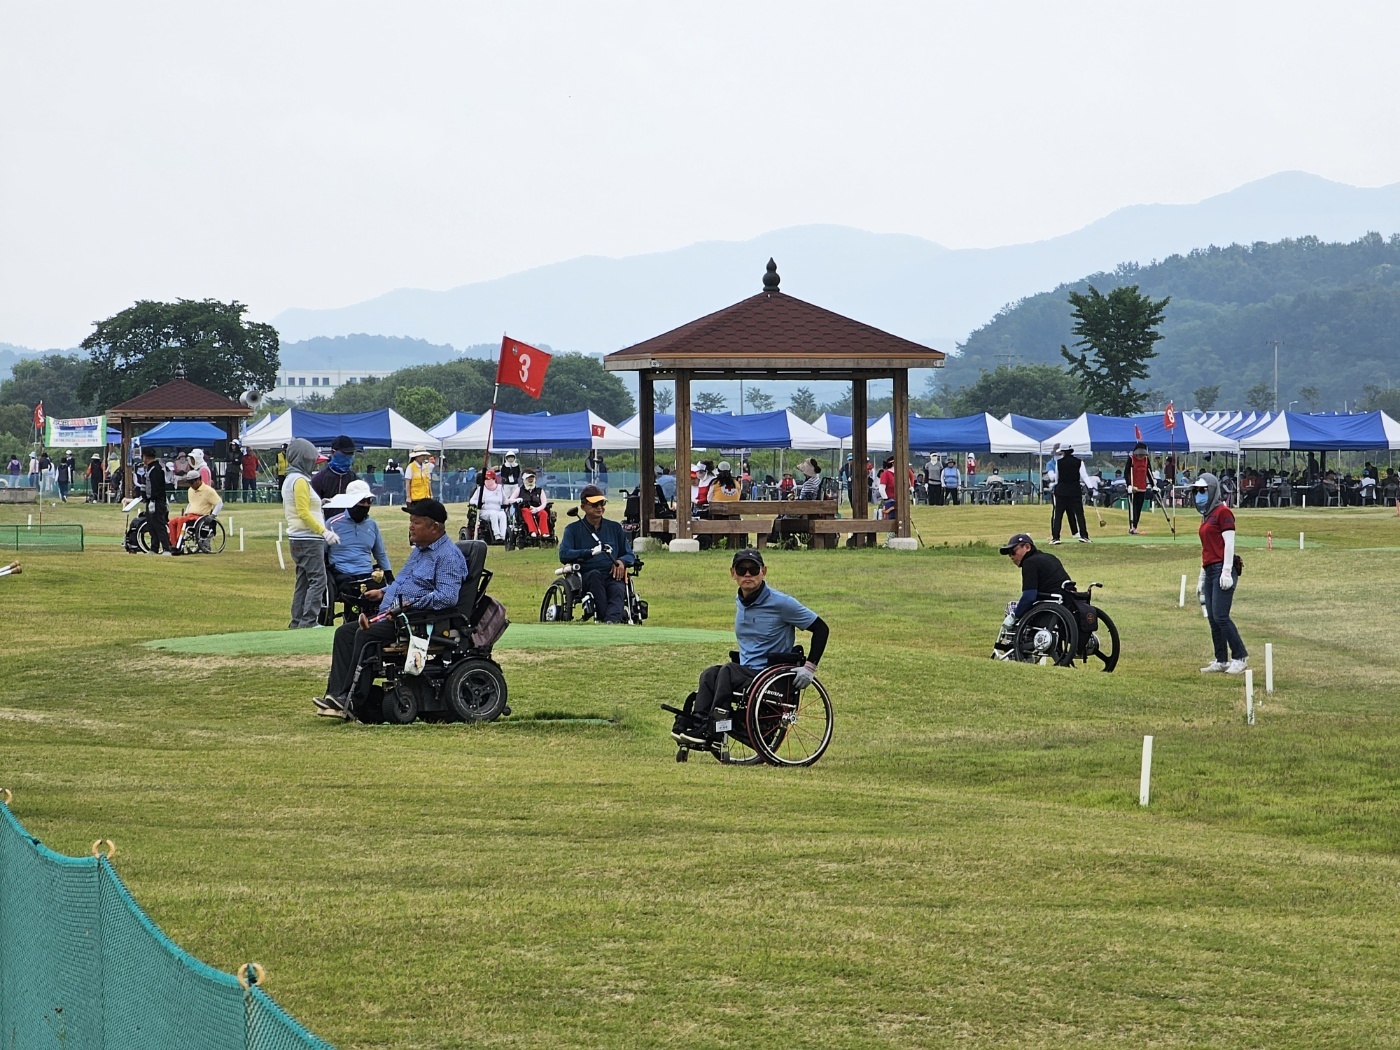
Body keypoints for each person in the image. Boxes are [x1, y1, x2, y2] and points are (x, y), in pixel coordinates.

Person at [316, 498, 467, 719]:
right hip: (393, 615)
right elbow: (404, 582)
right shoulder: (420, 551)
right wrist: (384, 592)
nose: (410, 526)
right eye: (410, 521)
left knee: (365, 635)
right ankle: (336, 694)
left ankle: (351, 699)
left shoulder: (447, 556)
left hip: (415, 621)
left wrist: (410, 604)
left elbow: (447, 597)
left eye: (416, 522)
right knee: (344, 633)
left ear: (434, 526)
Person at [673, 548, 829, 746]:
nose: (747, 574)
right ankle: (698, 723)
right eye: (742, 569)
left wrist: (809, 668)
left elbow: (821, 628)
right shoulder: (741, 600)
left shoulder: (782, 603)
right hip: (747, 674)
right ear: (733, 573)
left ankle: (715, 728)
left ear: (763, 571)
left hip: (770, 676)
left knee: (728, 671)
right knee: (710, 674)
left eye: (753, 569)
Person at [282, 437, 341, 629]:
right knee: (318, 580)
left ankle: (297, 621)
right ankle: (308, 621)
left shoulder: (292, 479)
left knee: (303, 581)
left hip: (298, 538)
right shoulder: (299, 480)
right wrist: (324, 532)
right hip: (308, 538)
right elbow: (303, 512)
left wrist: (321, 503)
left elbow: (305, 505)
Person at [1193, 473, 1247, 674]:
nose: (1199, 494)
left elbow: (1229, 543)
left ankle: (1240, 656)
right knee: (1213, 618)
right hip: (1209, 569)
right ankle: (1221, 658)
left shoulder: (1223, 513)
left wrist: (1226, 571)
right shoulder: (1206, 515)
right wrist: (1201, 577)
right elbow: (1207, 547)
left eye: (1203, 490)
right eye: (1197, 491)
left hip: (1222, 568)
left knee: (1221, 615)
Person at [558, 485, 634, 624]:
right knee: (595, 577)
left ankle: (612, 621)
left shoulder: (615, 528)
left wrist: (622, 562)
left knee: (618, 588)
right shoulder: (572, 529)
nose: (599, 507)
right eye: (594, 504)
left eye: (602, 503)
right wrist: (589, 552)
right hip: (586, 575)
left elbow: (629, 554)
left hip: (612, 574)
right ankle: (609, 618)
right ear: (583, 507)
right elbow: (564, 554)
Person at [323, 479, 392, 604]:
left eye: (369, 501)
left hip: (367, 573)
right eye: (362, 501)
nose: (366, 505)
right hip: (342, 573)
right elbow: (322, 552)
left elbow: (380, 554)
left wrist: (389, 574)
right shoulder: (332, 524)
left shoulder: (372, 525)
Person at [168, 472, 223, 551]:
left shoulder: (208, 490)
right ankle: (173, 544)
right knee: (172, 522)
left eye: (192, 482)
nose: (190, 485)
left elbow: (219, 503)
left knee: (181, 520)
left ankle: (178, 544)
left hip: (200, 517)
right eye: (189, 483)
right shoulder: (190, 490)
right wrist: (186, 513)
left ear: (198, 480)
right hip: (190, 515)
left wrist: (213, 515)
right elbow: (191, 503)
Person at [1050, 444, 1092, 544]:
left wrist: (1055, 486)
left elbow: (1057, 478)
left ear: (1063, 452)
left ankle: (1056, 538)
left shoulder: (1059, 463)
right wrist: (1090, 487)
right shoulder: (1079, 462)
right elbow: (1084, 476)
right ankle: (1084, 536)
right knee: (1079, 514)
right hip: (1075, 490)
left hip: (1062, 491)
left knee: (1058, 515)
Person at [140, 445, 174, 555]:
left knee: (159, 524)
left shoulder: (156, 469)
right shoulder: (150, 468)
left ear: (145, 457)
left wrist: (153, 500)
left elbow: (157, 488)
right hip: (151, 501)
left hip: (157, 502)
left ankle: (166, 548)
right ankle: (154, 548)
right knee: (151, 525)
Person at [311, 435, 357, 501]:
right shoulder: (319, 479)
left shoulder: (355, 480)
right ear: (333, 452)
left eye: (351, 453)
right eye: (345, 453)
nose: (348, 456)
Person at [469, 469, 509, 541]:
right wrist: (478, 502)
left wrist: (508, 503)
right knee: (493, 514)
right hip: (485, 511)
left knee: (503, 515)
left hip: (498, 509)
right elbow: (471, 500)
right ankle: (497, 535)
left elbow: (505, 500)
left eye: (489, 478)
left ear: (494, 479)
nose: (488, 480)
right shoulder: (480, 489)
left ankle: (503, 536)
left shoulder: (500, 488)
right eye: (486, 478)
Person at [517, 470, 552, 540]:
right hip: (525, 508)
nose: (530, 480)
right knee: (526, 511)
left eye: (532, 478)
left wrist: (537, 509)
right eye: (528, 478)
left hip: (537, 508)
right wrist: (517, 500)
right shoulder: (519, 490)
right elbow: (511, 499)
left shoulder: (539, 490)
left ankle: (545, 532)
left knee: (544, 513)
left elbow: (544, 503)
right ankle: (533, 531)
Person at [1127, 441, 1152, 534]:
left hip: (1142, 487)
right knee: (1133, 507)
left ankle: (1135, 526)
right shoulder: (1131, 459)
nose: (1141, 456)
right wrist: (1129, 485)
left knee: (1139, 507)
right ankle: (1132, 527)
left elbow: (1149, 473)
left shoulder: (1146, 460)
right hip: (1133, 487)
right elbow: (1127, 473)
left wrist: (1154, 485)